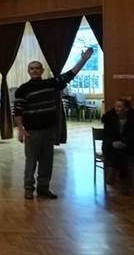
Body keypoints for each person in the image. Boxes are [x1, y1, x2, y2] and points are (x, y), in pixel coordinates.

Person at [14, 48, 94, 200]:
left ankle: (43, 188)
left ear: (42, 70)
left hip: (49, 130)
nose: (34, 70)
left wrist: (83, 60)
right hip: (32, 132)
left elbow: (70, 75)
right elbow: (18, 111)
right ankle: (28, 189)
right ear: (28, 71)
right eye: (32, 68)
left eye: (37, 68)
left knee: (47, 161)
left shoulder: (51, 84)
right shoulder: (23, 90)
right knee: (31, 161)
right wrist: (20, 129)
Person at [102, 98, 134, 194]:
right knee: (119, 152)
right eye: (115, 106)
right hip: (111, 146)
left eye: (120, 106)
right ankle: (124, 183)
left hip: (128, 145)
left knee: (121, 152)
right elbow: (107, 135)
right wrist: (113, 142)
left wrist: (124, 143)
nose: (116, 108)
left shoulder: (133, 119)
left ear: (127, 108)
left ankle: (112, 171)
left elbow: (133, 136)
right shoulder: (110, 118)